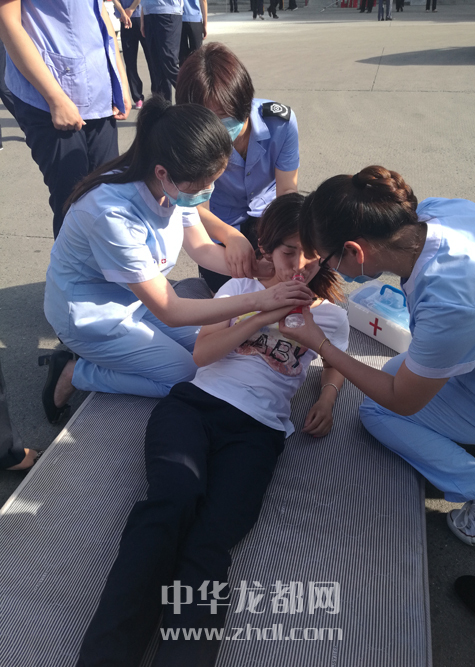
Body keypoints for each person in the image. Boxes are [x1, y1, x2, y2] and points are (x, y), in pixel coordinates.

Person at [75, 193, 348, 667]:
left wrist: (326, 397)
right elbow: (202, 355)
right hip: (195, 408)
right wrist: (264, 311)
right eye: (289, 253)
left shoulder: (331, 314)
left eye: (311, 256)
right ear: (267, 248)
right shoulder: (241, 286)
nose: (300, 267)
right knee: (170, 505)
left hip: (258, 432)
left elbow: (335, 361)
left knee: (211, 541)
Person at [41, 97, 313, 425]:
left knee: (213, 351)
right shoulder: (112, 214)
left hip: (137, 299)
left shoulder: (171, 184)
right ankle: (76, 372)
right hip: (94, 319)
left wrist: (257, 268)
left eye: (214, 181)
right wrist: (259, 300)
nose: (209, 191)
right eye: (204, 185)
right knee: (187, 378)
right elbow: (170, 310)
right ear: (163, 173)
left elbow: (201, 247)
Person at [278, 165, 475, 547]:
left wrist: (321, 344)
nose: (329, 271)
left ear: (354, 250)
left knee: (378, 411)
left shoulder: (452, 303)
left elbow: (403, 400)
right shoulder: (435, 214)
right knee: (396, 368)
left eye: (328, 261)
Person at [0, 0, 132, 239]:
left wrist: (119, 77)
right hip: (49, 94)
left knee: (109, 193)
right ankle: (72, 265)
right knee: (72, 202)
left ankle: (107, 263)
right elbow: (7, 20)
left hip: (98, 89)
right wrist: (55, 98)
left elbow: (100, 12)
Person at [176, 43, 300, 292]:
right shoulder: (191, 137)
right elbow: (195, 208)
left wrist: (279, 240)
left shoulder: (281, 124)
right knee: (226, 293)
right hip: (218, 224)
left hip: (268, 217)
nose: (215, 126)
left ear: (243, 101)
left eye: (223, 115)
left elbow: (287, 192)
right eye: (205, 117)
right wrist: (229, 236)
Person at [140, 0, 183, 103]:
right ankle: (165, 107)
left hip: (168, 11)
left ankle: (195, 97)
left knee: (169, 63)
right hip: (149, 12)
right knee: (157, 67)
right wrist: (143, 18)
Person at [113, 0, 151, 110]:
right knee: (130, 62)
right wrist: (124, 12)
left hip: (139, 17)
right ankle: (138, 97)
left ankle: (154, 93)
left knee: (151, 59)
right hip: (126, 18)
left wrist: (129, 10)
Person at [179, 0, 207, 66]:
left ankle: (183, 71)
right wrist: (205, 24)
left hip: (179, 16)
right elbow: (203, 1)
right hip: (195, 18)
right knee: (197, 53)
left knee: (182, 54)